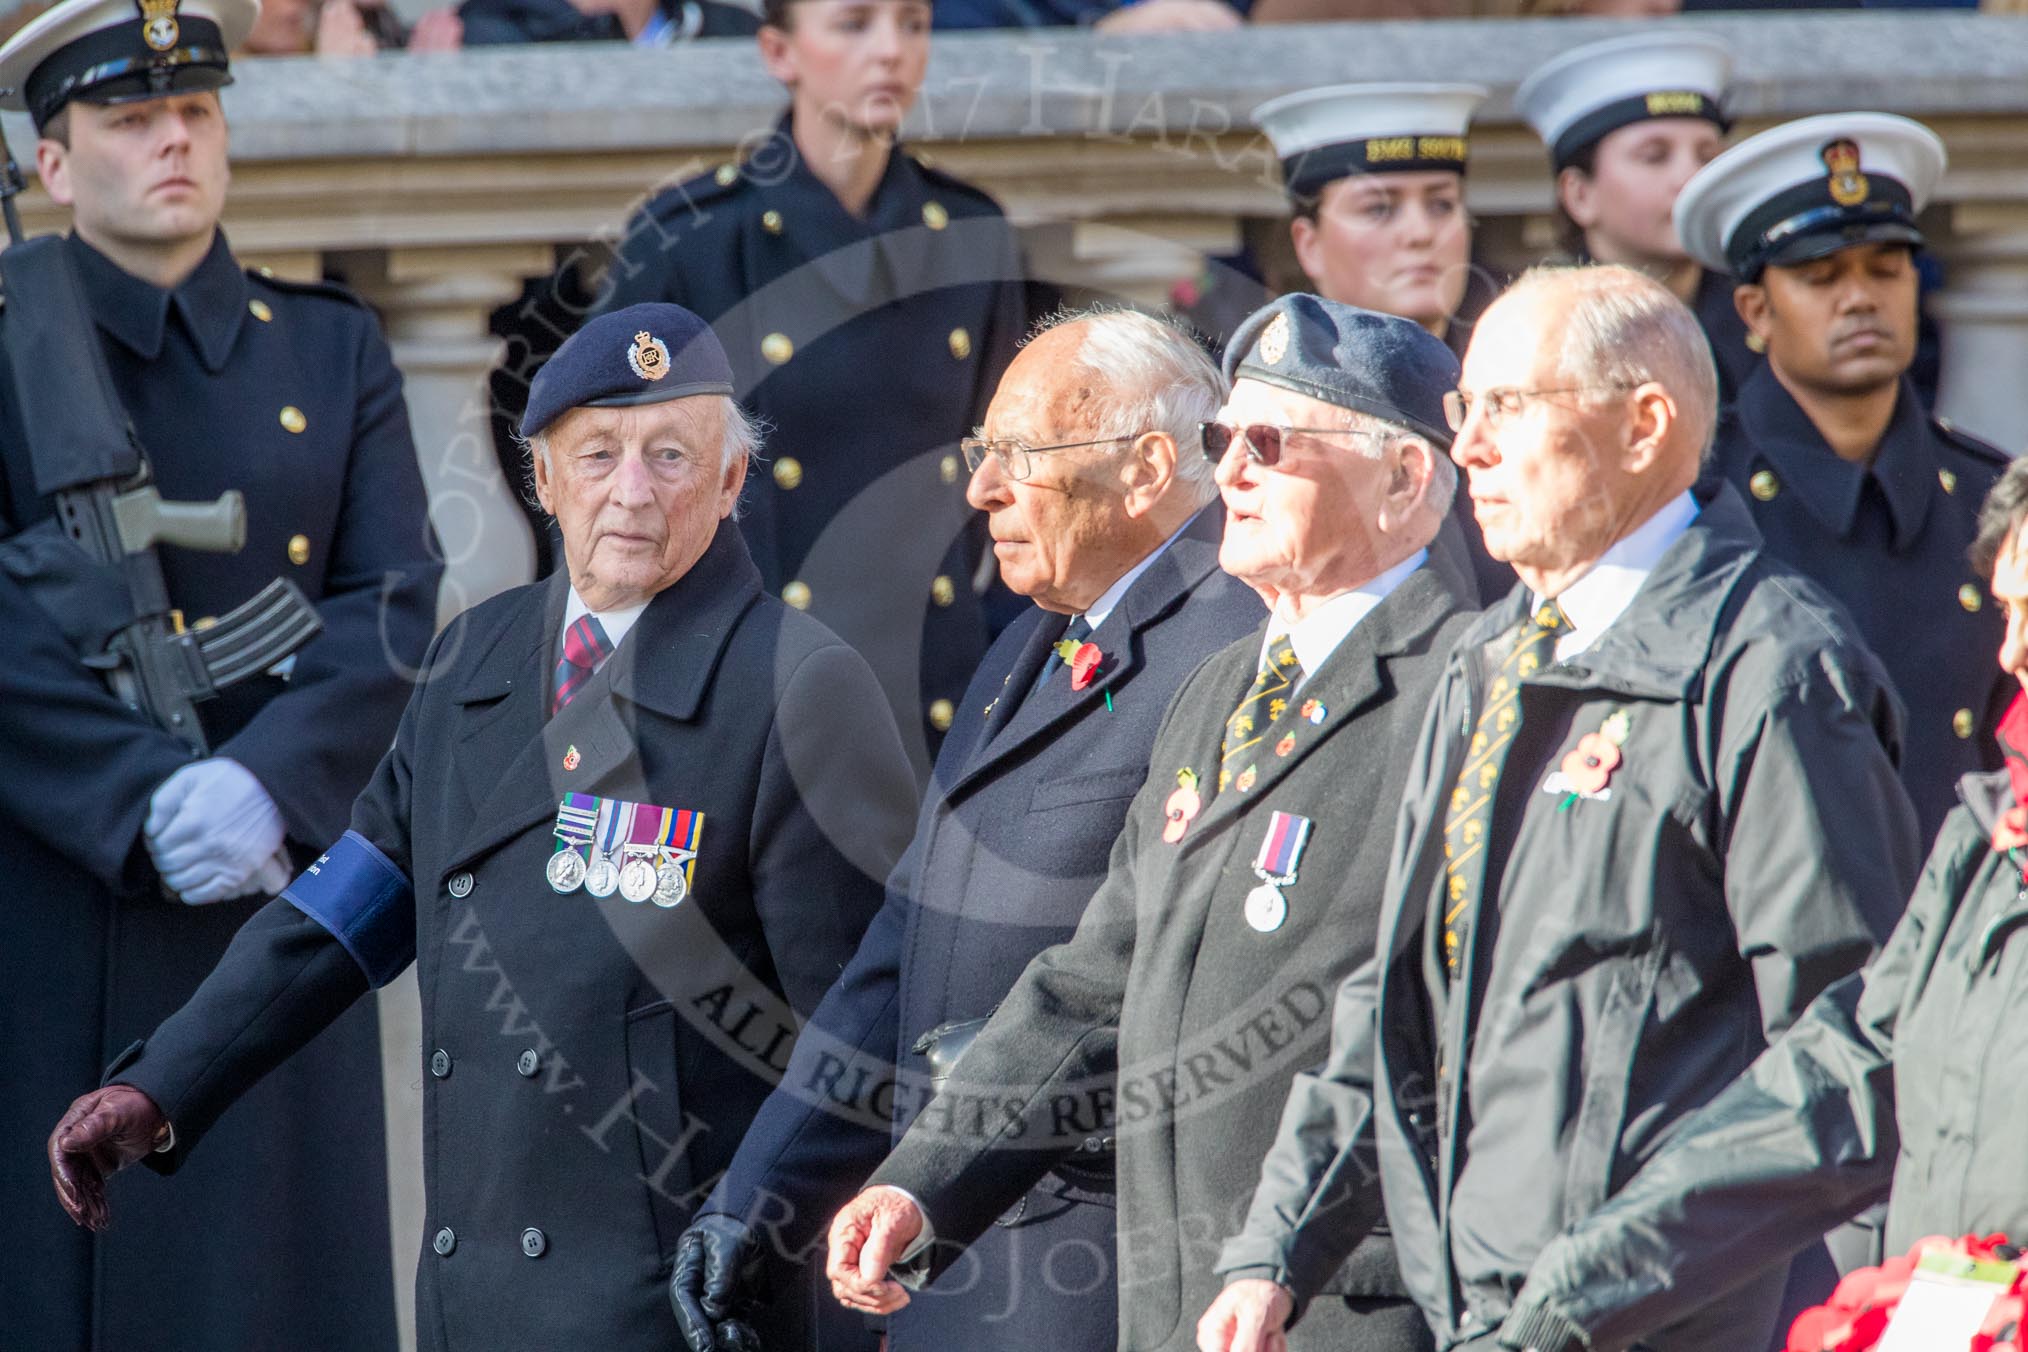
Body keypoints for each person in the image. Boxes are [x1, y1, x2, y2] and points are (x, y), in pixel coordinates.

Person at [44, 303, 919, 1352]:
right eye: (597, 453)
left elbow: (863, 1025)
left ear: (730, 483)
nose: (630, 491)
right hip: (477, 1296)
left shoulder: (801, 684)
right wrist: (162, 1082)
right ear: (543, 480)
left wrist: (753, 1218)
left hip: (684, 1300)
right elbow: (345, 910)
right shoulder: (475, 657)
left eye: (671, 455)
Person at [1196, 265, 1920, 1352]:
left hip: (1651, 1320)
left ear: (1643, 424)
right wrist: (1275, 1250)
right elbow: (1399, 1004)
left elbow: (1850, 1054)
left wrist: (1582, 1299)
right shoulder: (1487, 663)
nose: (1470, 448)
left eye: (1508, 408)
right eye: (1463, 411)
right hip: (1482, 1314)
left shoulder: (1770, 667)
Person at [823, 294, 1482, 1352]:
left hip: (1349, 1311)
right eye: (1222, 441)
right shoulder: (1217, 695)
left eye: (1271, 442)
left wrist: (1294, 1255)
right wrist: (924, 1185)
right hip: (1175, 1313)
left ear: (1404, 479)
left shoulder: (1466, 692)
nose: (1230, 473)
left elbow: (1446, 1038)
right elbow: (1096, 982)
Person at [664, 308, 1265, 1352]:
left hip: (1101, 1273)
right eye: (983, 453)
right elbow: (904, 942)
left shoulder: (1235, 643)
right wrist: (755, 1195)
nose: (982, 488)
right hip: (957, 1260)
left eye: (1018, 456)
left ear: (1149, 467)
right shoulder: (1028, 646)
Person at [0, 0, 441, 1344]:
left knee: (271, 1288)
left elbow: (400, 607)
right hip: (60, 887)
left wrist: (267, 782)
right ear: (56, 165)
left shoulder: (329, 344)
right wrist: (139, 797)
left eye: (194, 113)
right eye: (130, 121)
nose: (174, 142)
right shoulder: (13, 346)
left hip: (274, 902)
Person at [1489, 456, 2028, 1352]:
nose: (2010, 655)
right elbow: (1840, 1079)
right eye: (2009, 611)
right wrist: (1572, 1299)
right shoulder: (1990, 838)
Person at [590, 0, 1026, 775]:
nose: (891, 51)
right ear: (778, 51)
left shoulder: (972, 231)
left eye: (914, 23)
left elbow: (1004, 473)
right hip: (748, 690)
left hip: (934, 692)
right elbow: (607, 478)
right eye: (854, 24)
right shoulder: (692, 236)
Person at [1676, 112, 2011, 843]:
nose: (1859, 297)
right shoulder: (1695, 500)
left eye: (1886, 269)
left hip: (1957, 923)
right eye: (1820, 276)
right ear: (1754, 310)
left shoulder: (1990, 499)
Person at [1514, 32, 1750, 403]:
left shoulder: (1762, 319)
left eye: (1707, 155)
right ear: (1579, 194)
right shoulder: (1535, 333)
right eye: (1654, 156)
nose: (1689, 178)